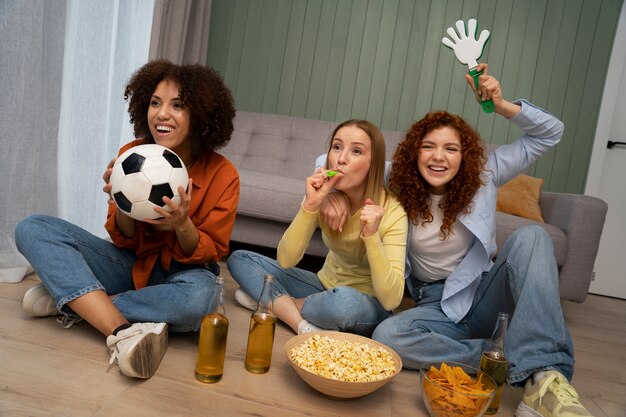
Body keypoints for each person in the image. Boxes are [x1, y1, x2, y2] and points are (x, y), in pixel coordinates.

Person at [320, 64, 594, 417]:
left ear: (465, 156)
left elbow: (550, 133)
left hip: (483, 294)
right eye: (428, 146)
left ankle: (547, 381)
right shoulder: (399, 179)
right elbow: (336, 163)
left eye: (451, 148)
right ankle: (499, 358)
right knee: (388, 337)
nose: (438, 156)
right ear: (414, 153)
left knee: (533, 237)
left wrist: (502, 105)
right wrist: (334, 194)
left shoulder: (485, 175)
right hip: (433, 304)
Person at [15, 60, 239, 379]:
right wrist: (120, 202)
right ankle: (120, 328)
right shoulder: (132, 153)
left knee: (200, 302)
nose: (162, 114)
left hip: (186, 274)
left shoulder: (224, 174)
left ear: (200, 114)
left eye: (177, 105)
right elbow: (123, 240)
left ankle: (80, 303)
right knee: (33, 228)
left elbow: (212, 251)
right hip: (129, 262)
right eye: (155, 103)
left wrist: (182, 223)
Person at [226, 120, 407, 335]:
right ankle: (302, 325)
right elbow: (286, 260)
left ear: (373, 163)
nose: (341, 158)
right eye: (337, 147)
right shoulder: (323, 196)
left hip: (365, 304)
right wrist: (310, 206)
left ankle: (274, 304)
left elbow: (391, 300)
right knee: (240, 259)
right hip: (321, 287)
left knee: (343, 303)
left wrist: (371, 235)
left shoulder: (393, 212)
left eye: (356, 151)